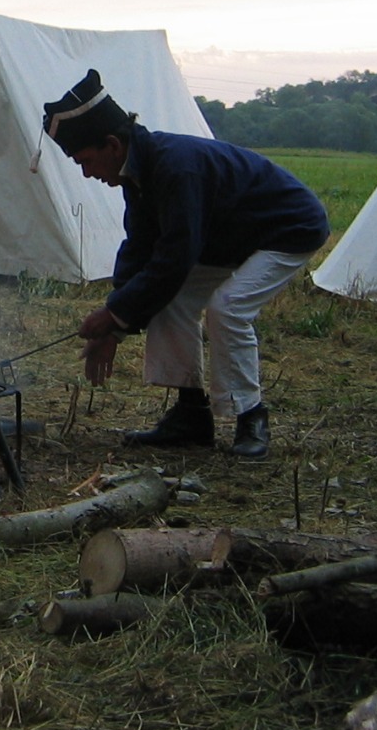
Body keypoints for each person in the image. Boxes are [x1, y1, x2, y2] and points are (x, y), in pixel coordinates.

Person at [42, 69, 329, 459]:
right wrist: (116, 319)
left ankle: (251, 415)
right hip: (226, 237)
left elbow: (176, 256)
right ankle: (191, 416)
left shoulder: (176, 166)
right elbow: (141, 246)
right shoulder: (136, 171)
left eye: (86, 161)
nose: (87, 173)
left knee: (227, 308)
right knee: (169, 300)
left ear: (112, 145)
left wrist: (114, 316)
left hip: (286, 228)